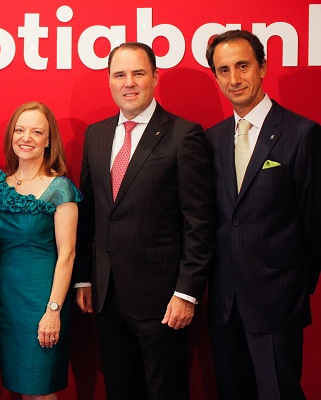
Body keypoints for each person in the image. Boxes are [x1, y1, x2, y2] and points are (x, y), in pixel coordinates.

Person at [74, 42, 215, 399]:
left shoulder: (184, 134)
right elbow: (89, 213)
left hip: (162, 299)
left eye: (138, 73)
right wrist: (85, 278)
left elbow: (200, 222)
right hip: (106, 295)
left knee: (165, 390)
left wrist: (187, 292)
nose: (129, 83)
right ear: (109, 80)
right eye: (119, 75)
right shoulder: (96, 134)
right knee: (120, 389)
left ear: (154, 77)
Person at [205, 29, 321, 400]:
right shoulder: (211, 139)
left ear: (263, 68)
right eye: (224, 70)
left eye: (242, 66)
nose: (234, 79)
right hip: (224, 304)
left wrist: (293, 287)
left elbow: (314, 222)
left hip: (277, 302)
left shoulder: (302, 134)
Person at [0, 101, 82, 399]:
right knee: (23, 387)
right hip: (7, 300)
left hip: (43, 298)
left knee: (41, 389)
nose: (26, 138)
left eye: (37, 132)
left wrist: (53, 310)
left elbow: (68, 254)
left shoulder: (60, 188)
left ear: (49, 141)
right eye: (20, 130)